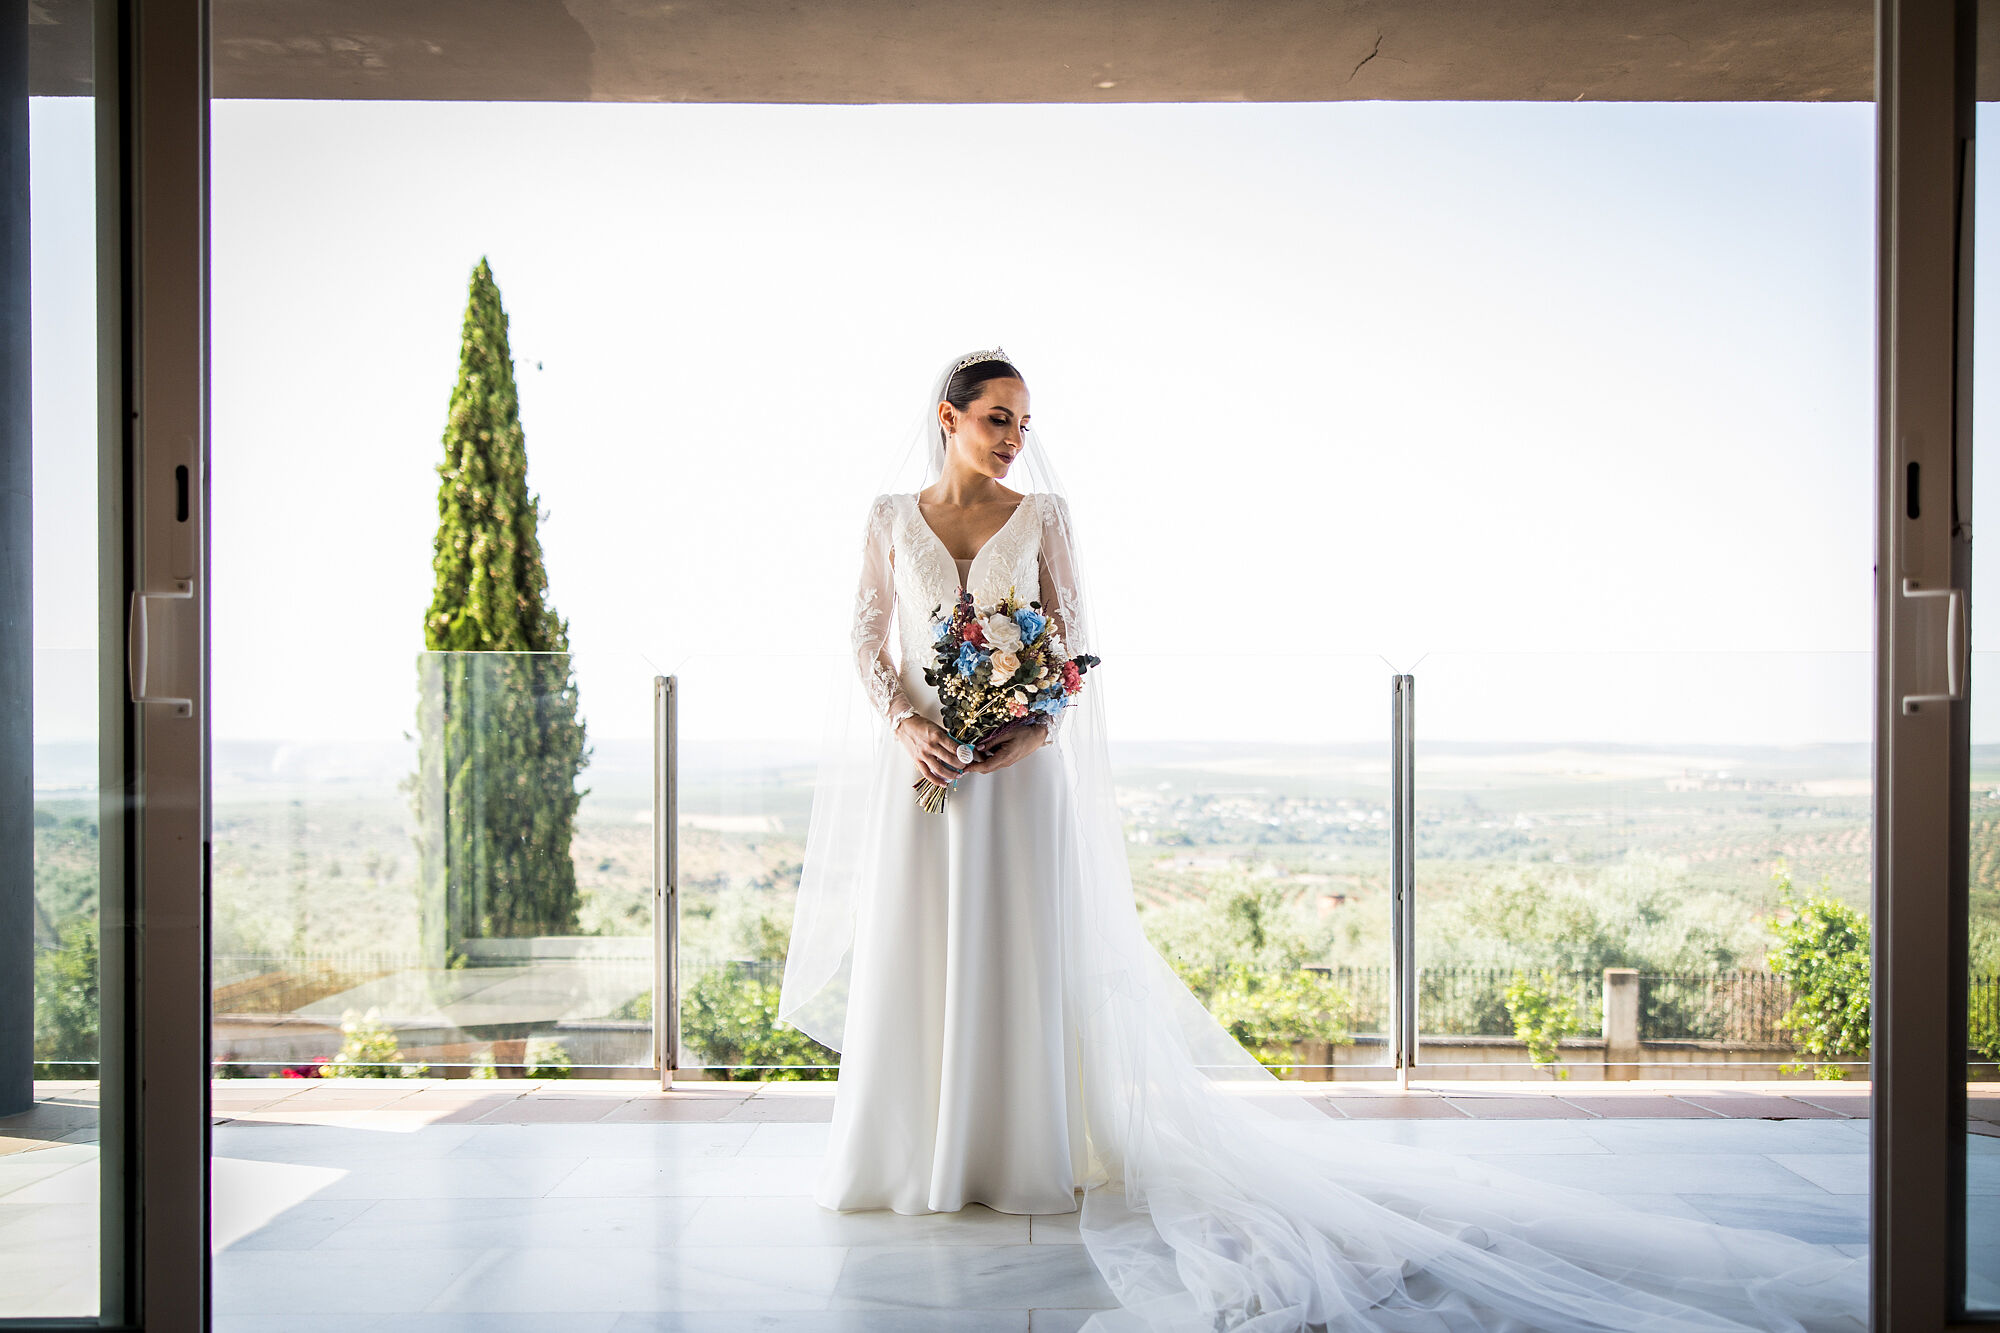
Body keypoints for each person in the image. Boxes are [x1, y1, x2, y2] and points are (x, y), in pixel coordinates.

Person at [780, 348, 1867, 1332]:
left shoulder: (1044, 518)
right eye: (998, 420)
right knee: (924, 941)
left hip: (1016, 773)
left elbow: (1069, 650)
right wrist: (907, 721)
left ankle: (1016, 1148)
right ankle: (915, 1149)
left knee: (1014, 947)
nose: (1016, 438)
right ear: (947, 416)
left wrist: (1027, 727)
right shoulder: (887, 514)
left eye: (1023, 421)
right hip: (920, 767)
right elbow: (864, 634)